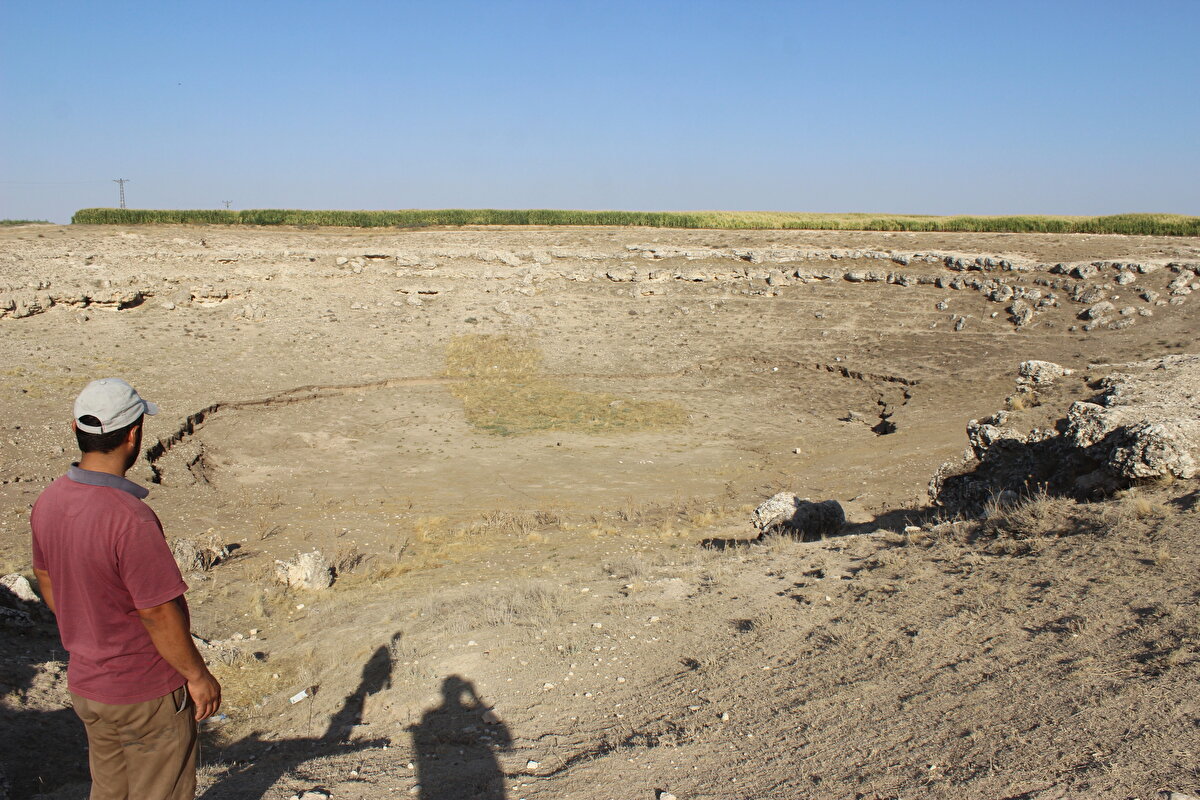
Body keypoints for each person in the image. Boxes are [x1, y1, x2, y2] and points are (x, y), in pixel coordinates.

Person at [30, 378, 221, 800]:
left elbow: (45, 577)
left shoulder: (49, 501)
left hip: (89, 687)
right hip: (145, 690)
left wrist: (90, 632)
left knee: (110, 790)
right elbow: (157, 612)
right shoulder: (130, 518)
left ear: (77, 430)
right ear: (134, 435)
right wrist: (197, 675)